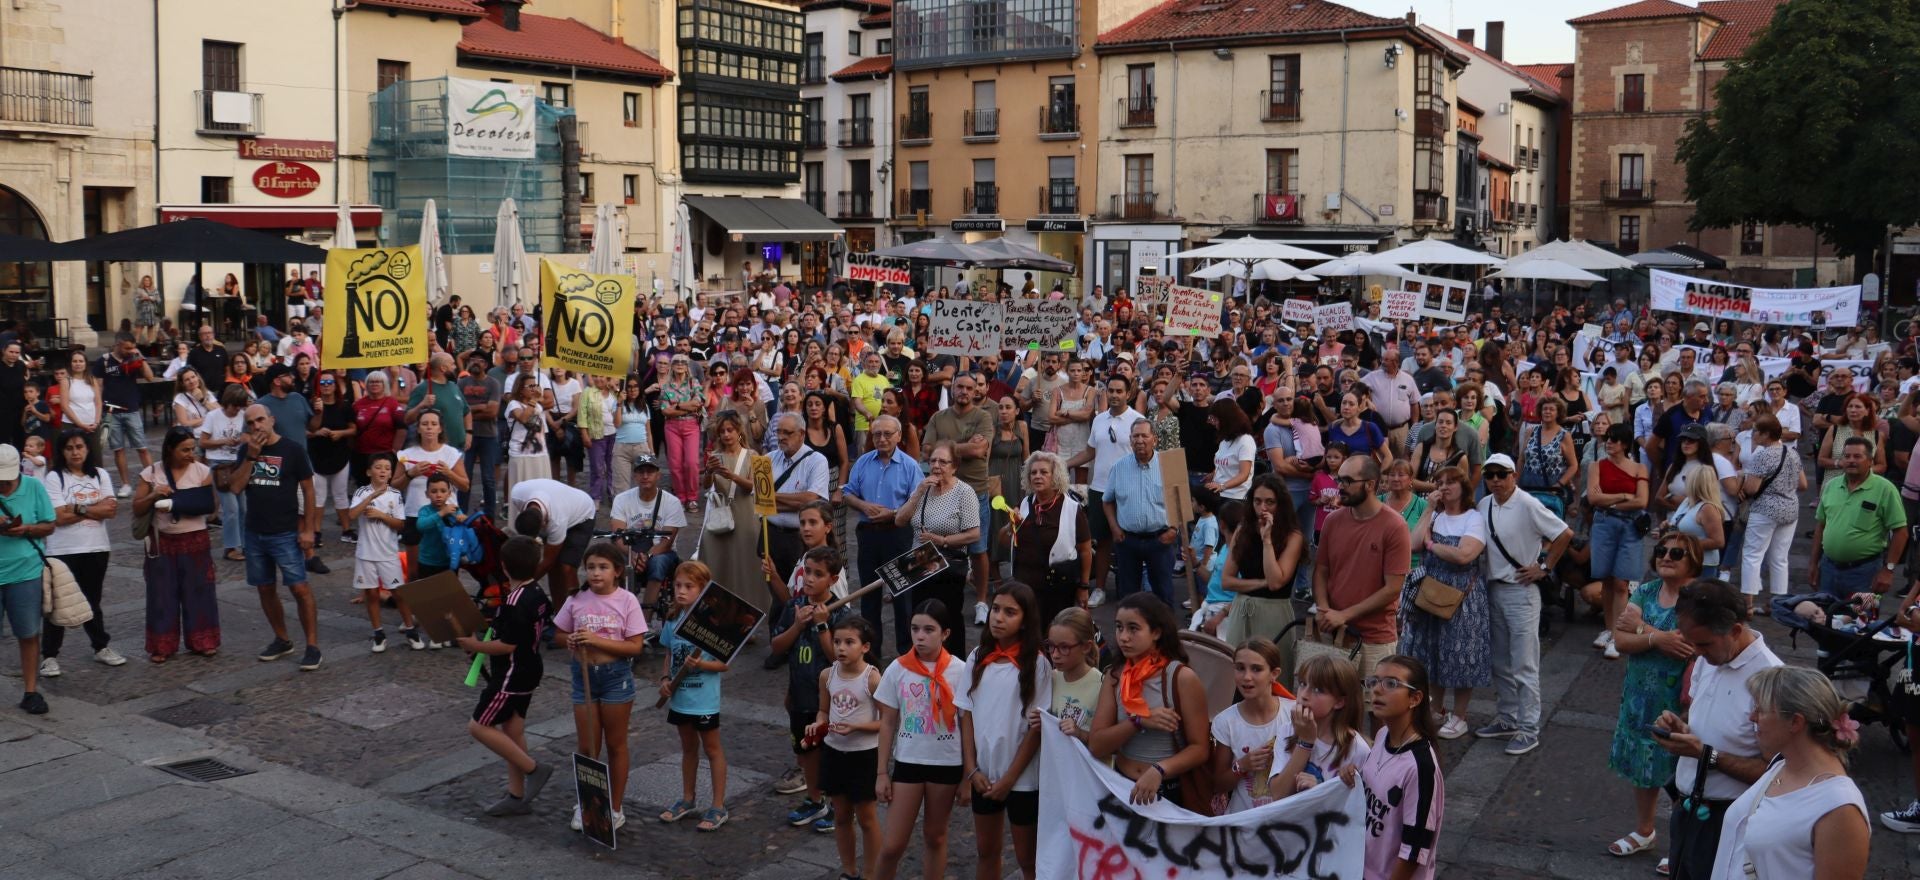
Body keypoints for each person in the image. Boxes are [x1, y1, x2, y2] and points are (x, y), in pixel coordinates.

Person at [1653, 579, 1782, 880]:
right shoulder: (1709, 658)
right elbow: (1705, 718)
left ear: (1735, 630)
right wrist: (1681, 725)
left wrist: (1706, 755)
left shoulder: (1772, 682)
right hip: (1688, 810)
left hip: (1729, 822)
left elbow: (1776, 773)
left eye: (1704, 644)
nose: (1695, 653)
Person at [1710, 666, 1871, 880]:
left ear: (1796, 722)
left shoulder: (1840, 809)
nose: (1752, 717)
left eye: (1761, 709)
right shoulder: (1781, 765)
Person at [1604, 532, 1703, 860]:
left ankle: (1683, 843)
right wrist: (1658, 638)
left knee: (1681, 775)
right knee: (1642, 769)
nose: (1667, 557)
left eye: (1677, 553)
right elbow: (1619, 640)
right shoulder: (1646, 591)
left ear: (1693, 561)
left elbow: (1687, 646)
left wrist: (1642, 629)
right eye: (1662, 550)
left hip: (1680, 702)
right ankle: (1645, 831)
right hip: (1639, 698)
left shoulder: (1698, 599)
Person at [1474, 452, 1572, 756]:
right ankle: (1507, 718)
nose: (1495, 481)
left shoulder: (1528, 503)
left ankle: (1529, 728)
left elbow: (1564, 533)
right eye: (1489, 475)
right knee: (1500, 661)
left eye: (1501, 474)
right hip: (1493, 589)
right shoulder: (1484, 504)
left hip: (1520, 591)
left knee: (1524, 663)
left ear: (1513, 475)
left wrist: (1543, 567)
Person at [453, 536, 557, 817]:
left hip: (511, 673)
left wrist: (475, 646)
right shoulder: (537, 593)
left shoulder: (513, 601)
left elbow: (507, 644)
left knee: (478, 726)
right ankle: (517, 795)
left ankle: (534, 770)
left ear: (504, 567)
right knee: (512, 731)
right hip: (530, 668)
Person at [552, 542, 647, 833]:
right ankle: (589, 803)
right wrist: (567, 641)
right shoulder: (576, 598)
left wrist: (595, 640)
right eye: (591, 567)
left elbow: (635, 646)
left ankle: (614, 807)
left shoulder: (627, 600)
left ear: (617, 571)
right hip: (583, 677)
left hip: (615, 676)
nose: (596, 573)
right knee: (587, 745)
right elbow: (559, 633)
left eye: (603, 567)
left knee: (616, 745)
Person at [873, 600, 970, 880]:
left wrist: (967, 776)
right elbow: (888, 722)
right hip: (909, 763)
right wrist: (881, 772)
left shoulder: (960, 671)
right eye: (915, 629)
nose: (920, 636)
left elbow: (966, 725)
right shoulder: (898, 669)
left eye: (929, 629)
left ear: (946, 634)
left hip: (946, 764)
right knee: (892, 845)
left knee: (935, 837)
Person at [1088, 594, 1212, 808]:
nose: (1123, 637)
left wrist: (1159, 770)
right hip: (1122, 786)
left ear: (1156, 632)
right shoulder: (1115, 676)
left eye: (1133, 628)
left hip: (1168, 790)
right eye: (1119, 627)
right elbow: (1097, 745)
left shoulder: (1181, 678)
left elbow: (1200, 749)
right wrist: (1138, 722)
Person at [963, 582, 1049, 880]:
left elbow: (1037, 727)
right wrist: (972, 769)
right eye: (996, 609)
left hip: (1022, 778)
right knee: (986, 851)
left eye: (1009, 612)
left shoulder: (1036, 664)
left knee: (1028, 859)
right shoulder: (976, 657)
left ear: (1025, 620)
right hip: (984, 774)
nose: (998, 617)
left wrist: (1010, 778)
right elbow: (966, 714)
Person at [228, 403, 322, 670]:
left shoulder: (292, 450)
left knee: (299, 588)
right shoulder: (247, 451)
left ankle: (312, 645)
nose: (256, 426)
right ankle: (282, 639)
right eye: (250, 423)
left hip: (286, 531)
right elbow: (235, 487)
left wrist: (308, 530)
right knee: (265, 587)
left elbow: (309, 489)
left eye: (260, 420)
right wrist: (251, 457)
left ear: (271, 420)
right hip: (255, 532)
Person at [1399, 465, 1488, 740]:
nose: (1444, 487)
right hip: (1431, 591)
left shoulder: (1473, 518)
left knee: (1461, 655)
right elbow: (1412, 543)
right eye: (1440, 482)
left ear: (1463, 487)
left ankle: (1460, 714)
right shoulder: (1435, 515)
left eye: (1451, 482)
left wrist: (1432, 546)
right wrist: (1427, 510)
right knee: (1432, 651)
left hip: (1462, 596)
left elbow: (1464, 555)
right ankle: (1436, 708)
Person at [772, 546, 856, 833]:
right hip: (800, 694)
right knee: (806, 750)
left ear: (832, 580)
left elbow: (837, 658)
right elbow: (777, 646)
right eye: (807, 571)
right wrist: (797, 625)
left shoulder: (840, 614)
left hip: (829, 700)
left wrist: (822, 627)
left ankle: (838, 804)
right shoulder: (793, 607)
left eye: (818, 574)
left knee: (830, 752)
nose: (809, 578)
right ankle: (814, 798)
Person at [1339, 655, 1445, 880]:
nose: (1377, 690)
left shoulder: (1421, 767)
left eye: (1391, 684)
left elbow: (1414, 850)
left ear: (1415, 698)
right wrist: (1355, 776)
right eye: (1374, 681)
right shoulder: (1382, 735)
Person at [1312, 454, 1412, 681]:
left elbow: (1392, 588)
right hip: (1333, 631)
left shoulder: (1395, 526)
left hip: (1375, 636)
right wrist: (1324, 609)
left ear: (1369, 484)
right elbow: (1321, 570)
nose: (1340, 487)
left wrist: (1344, 615)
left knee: (1378, 708)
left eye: (1347, 481)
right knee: (1333, 705)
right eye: (1339, 480)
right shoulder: (1332, 521)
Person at [37, 428, 123, 674]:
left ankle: (100, 646)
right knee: (57, 602)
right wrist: (91, 507)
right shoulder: (54, 478)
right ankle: (50, 655)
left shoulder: (100, 475)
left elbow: (110, 510)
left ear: (88, 449)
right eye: (70, 448)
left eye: (80, 447)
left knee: (92, 600)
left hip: (95, 547)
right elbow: (56, 517)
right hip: (62, 549)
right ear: (62, 452)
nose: (75, 452)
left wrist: (76, 508)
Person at [658, 560, 733, 833]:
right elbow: (668, 653)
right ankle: (687, 798)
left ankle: (718, 805)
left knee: (712, 749)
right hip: (681, 698)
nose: (681, 591)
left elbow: (724, 664)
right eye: (678, 585)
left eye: (689, 586)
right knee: (688, 749)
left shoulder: (712, 624)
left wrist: (701, 665)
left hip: (704, 700)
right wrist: (665, 679)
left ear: (703, 590)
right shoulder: (673, 620)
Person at [134, 426, 220, 664]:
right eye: (184, 450)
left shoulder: (202, 471)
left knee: (199, 591)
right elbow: (137, 508)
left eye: (192, 449)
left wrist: (180, 503)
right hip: (163, 542)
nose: (190, 454)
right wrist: (154, 496)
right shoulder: (150, 473)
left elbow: (211, 509)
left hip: (195, 539)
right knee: (162, 594)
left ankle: (203, 641)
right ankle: (162, 645)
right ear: (170, 449)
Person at [892, 440, 979, 657]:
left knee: (947, 620)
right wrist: (918, 492)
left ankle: (953, 666)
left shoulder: (964, 492)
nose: (937, 466)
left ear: (954, 466)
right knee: (920, 617)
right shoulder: (923, 489)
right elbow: (900, 521)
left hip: (947, 566)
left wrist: (942, 540)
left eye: (943, 461)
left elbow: (974, 534)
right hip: (919, 564)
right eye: (932, 461)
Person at [1065, 374, 1145, 606]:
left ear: (1128, 393)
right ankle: (1099, 588)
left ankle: (1130, 591)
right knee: (1102, 542)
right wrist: (1064, 464)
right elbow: (1090, 452)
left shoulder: (1138, 421)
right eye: (1111, 390)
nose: (1114, 395)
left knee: (1128, 542)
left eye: (1119, 391)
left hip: (1129, 490)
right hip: (1099, 489)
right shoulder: (1099, 420)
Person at [811, 615, 882, 878]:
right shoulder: (827, 675)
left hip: (863, 755)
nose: (841, 647)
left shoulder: (872, 679)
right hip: (833, 752)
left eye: (849, 642)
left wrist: (856, 727)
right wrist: (818, 724)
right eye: (837, 641)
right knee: (841, 815)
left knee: (866, 818)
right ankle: (849, 871)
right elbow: (823, 711)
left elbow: (887, 723)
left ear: (864, 647)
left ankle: (871, 873)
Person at [922, 374, 996, 622]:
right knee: (937, 545)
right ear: (952, 389)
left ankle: (982, 601)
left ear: (976, 391)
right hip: (941, 489)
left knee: (978, 548)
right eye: (959, 387)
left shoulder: (983, 417)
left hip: (975, 490)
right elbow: (926, 452)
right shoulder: (938, 417)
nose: (964, 391)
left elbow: (978, 450)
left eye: (969, 388)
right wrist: (961, 446)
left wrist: (943, 447)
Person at [1808, 436, 1907, 601]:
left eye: (1857, 456)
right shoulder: (1832, 486)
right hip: (1829, 569)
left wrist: (1888, 570)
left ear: (1870, 461)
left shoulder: (1885, 489)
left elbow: (1901, 532)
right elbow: (1821, 526)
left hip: (1864, 573)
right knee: (1824, 620)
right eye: (1847, 456)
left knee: (1860, 624)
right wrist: (1813, 563)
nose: (1851, 461)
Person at [1217, 474, 1305, 655]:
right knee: (1237, 670)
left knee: (1273, 673)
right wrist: (1260, 583)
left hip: (1274, 613)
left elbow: (1274, 582)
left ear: (1280, 504)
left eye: (1269, 502)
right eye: (1257, 501)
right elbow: (1226, 580)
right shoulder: (1243, 529)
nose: (1262, 508)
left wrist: (1267, 540)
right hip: (1241, 609)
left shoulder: (1293, 536)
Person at [344, 452, 423, 652]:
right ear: (369, 471)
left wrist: (381, 515)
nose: (383, 471)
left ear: (390, 474)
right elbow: (351, 515)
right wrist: (371, 497)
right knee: (371, 593)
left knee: (398, 593)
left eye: (387, 468)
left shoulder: (395, 495)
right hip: (365, 553)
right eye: (378, 467)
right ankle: (378, 633)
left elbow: (400, 524)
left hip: (388, 553)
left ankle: (410, 629)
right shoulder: (361, 492)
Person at [1208, 639, 1295, 814]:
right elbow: (1218, 783)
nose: (1247, 677)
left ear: (1274, 673)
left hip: (1288, 819)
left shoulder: (1294, 713)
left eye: (1256, 669)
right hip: (1244, 820)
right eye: (1240, 668)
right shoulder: (1225, 722)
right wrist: (1242, 765)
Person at [1588, 423, 1650, 660]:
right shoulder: (1597, 466)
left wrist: (1610, 502)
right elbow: (1593, 497)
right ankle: (1608, 628)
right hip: (1604, 525)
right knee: (1606, 579)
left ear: (1624, 443)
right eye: (1608, 439)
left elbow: (1642, 501)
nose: (1609, 443)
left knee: (1622, 583)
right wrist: (1624, 496)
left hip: (1628, 526)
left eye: (1614, 439)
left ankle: (1618, 634)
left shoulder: (1638, 468)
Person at [0, 444, 54, 713]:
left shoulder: (33, 487)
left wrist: (27, 529)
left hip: (26, 572)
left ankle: (31, 691)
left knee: (29, 633)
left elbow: (50, 525)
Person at [701, 410, 767, 620]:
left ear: (739, 431)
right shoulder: (714, 457)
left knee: (747, 569)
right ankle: (721, 616)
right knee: (720, 567)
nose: (726, 435)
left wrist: (732, 476)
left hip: (746, 517)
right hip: (721, 518)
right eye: (722, 431)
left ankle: (748, 620)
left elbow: (755, 488)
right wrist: (709, 472)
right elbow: (705, 487)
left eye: (730, 430)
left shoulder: (754, 456)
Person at [1273, 654, 1370, 797]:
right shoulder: (1288, 730)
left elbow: (1356, 808)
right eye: (1302, 684)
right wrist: (1305, 743)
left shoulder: (1357, 749)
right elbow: (1278, 794)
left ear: (1339, 702)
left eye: (1318, 690)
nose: (1304, 695)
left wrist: (1320, 790)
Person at [1104, 420, 1178, 606]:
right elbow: (1107, 501)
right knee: (1128, 598)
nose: (1140, 440)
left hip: (1160, 540)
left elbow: (1180, 502)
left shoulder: (1169, 464)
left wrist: (1174, 530)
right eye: (1135, 436)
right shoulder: (1118, 467)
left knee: (1163, 595)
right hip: (1128, 541)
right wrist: (1114, 528)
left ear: (1155, 439)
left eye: (1144, 435)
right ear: (1130, 440)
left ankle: (1164, 634)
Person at [763, 412, 831, 607]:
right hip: (771, 536)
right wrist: (794, 501)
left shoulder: (817, 461)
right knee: (776, 596)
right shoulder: (767, 459)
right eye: (779, 432)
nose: (781, 437)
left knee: (801, 593)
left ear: (801, 434)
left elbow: (811, 500)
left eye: (787, 432)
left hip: (799, 539)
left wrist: (772, 498)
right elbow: (759, 499)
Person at [608, 456, 685, 614]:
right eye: (640, 472)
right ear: (635, 476)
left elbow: (667, 540)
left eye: (650, 472)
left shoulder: (672, 502)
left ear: (658, 475)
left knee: (657, 564)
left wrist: (646, 557)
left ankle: (645, 619)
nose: (645, 476)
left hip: (661, 551)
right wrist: (633, 555)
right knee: (611, 561)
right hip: (630, 549)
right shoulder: (621, 499)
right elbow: (618, 534)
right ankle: (618, 611)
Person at [506, 477, 597, 605]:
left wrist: (521, 586)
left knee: (566, 568)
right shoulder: (517, 494)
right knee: (554, 570)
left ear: (543, 524)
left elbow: (547, 562)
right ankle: (559, 611)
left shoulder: (556, 521)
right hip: (561, 502)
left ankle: (577, 610)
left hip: (582, 514)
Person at [200, 384, 250, 562]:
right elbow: (203, 442)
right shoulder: (213, 416)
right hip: (220, 465)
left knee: (243, 508)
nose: (237, 409)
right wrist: (223, 441)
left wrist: (244, 439)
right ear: (227, 402)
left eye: (240, 406)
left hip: (239, 465)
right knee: (231, 509)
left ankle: (245, 544)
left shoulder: (244, 416)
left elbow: (251, 436)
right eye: (234, 406)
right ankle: (230, 547)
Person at [307, 372, 356, 545]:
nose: (326, 385)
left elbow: (353, 429)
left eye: (329, 382)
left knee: (341, 494)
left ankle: (346, 529)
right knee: (319, 496)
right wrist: (316, 432)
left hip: (339, 456)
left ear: (336, 385)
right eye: (323, 382)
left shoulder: (344, 406)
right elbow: (305, 430)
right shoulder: (311, 405)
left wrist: (340, 433)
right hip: (317, 456)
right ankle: (316, 531)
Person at [459, 355, 503, 517]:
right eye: (472, 360)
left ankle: (490, 516)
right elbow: (459, 411)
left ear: (486, 364)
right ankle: (461, 514)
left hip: (488, 435)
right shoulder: (462, 383)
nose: (475, 362)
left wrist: (468, 411)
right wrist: (481, 407)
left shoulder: (493, 383)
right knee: (464, 477)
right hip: (467, 435)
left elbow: (492, 412)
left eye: (480, 360)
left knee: (488, 478)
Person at [407, 353, 472, 452]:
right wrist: (421, 405)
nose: (455, 367)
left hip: (459, 447)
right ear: (443, 368)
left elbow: (466, 411)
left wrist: (469, 432)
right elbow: (407, 419)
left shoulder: (454, 386)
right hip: (436, 450)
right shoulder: (422, 389)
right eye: (452, 364)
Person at [503, 378, 552, 487]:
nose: (534, 388)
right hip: (521, 455)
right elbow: (523, 418)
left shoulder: (537, 406)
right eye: (530, 386)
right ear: (520, 390)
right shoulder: (514, 404)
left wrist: (537, 400)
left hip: (540, 453)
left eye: (535, 385)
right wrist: (534, 399)